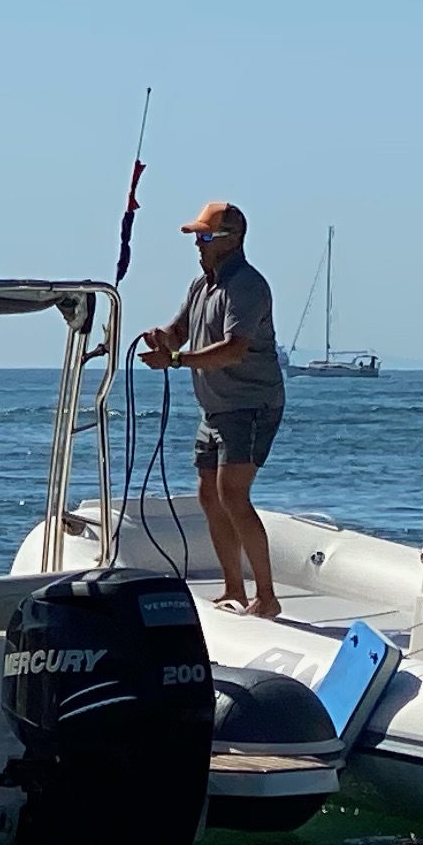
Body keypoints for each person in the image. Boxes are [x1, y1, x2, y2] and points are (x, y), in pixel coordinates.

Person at [136, 199, 285, 618]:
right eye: (196, 237)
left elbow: (234, 349)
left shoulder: (247, 286)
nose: (197, 245)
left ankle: (267, 597)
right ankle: (233, 587)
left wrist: (176, 360)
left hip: (251, 405)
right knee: (209, 494)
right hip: (215, 408)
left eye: (204, 237)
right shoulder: (202, 285)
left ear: (231, 240)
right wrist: (163, 338)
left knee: (232, 493)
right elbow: (179, 330)